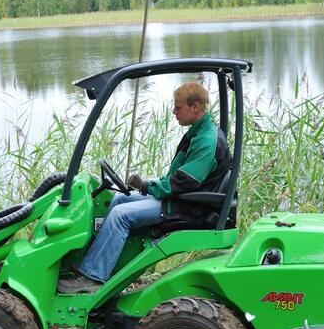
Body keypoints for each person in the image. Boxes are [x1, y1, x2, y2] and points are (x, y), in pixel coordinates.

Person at [57, 82, 232, 294]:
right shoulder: (200, 133)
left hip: (189, 208)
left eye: (178, 107)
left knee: (121, 215)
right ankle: (103, 266)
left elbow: (184, 182)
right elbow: (181, 179)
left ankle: (93, 277)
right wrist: (148, 185)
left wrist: (146, 186)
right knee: (119, 200)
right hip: (183, 200)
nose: (173, 112)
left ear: (195, 107)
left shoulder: (206, 140)